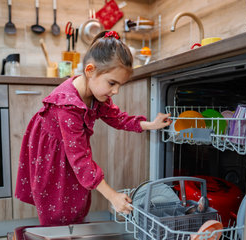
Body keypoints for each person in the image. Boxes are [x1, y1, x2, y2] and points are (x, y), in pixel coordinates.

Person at [15, 31, 171, 226]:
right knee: (56, 212)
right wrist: (113, 196)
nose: (115, 91)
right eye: (112, 83)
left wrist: (151, 125)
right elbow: (80, 160)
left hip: (70, 153)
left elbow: (118, 118)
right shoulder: (68, 107)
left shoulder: (96, 94)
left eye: (120, 85)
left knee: (76, 202)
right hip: (51, 156)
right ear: (90, 70)